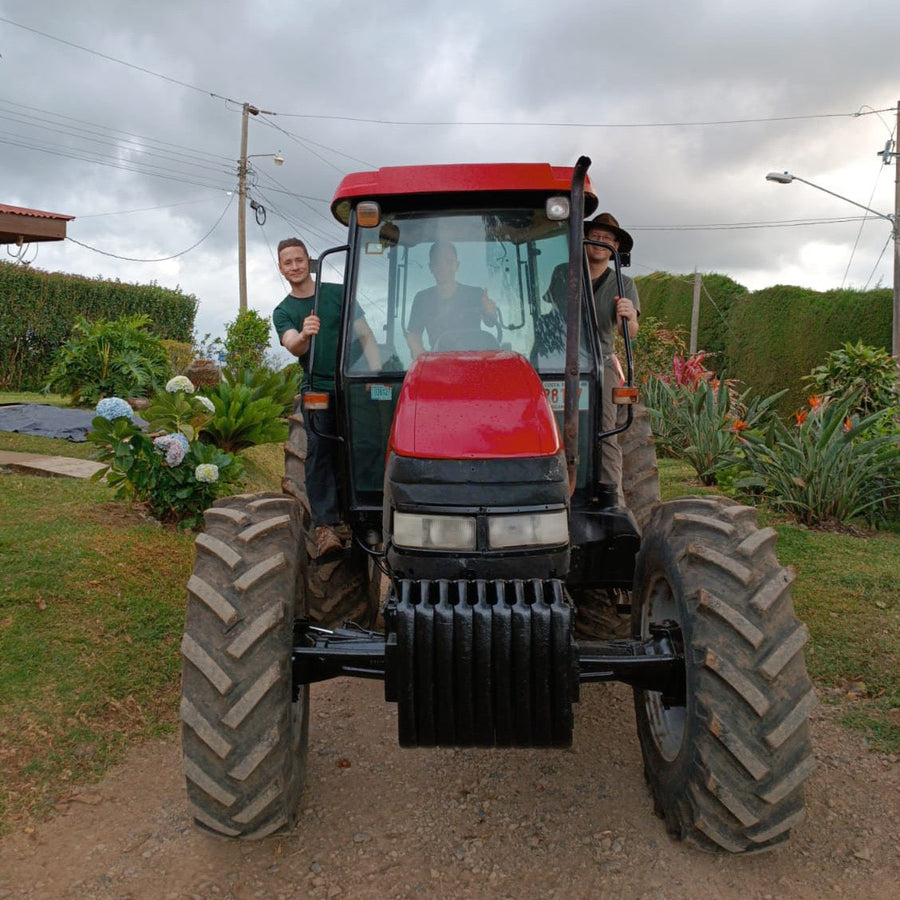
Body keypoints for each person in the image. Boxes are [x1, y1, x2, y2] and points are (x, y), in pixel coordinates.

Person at [272, 237, 380, 557]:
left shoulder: (337, 294)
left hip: (354, 385)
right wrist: (305, 333)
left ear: (310, 262)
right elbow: (293, 345)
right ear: (281, 268)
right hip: (318, 389)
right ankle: (325, 527)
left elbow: (365, 334)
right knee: (319, 450)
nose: (294, 266)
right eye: (288, 262)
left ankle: (374, 513)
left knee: (368, 444)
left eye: (299, 260)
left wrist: (373, 377)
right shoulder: (284, 311)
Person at [584, 213, 640, 506]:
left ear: (615, 247)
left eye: (607, 238)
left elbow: (627, 331)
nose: (600, 242)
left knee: (605, 428)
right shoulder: (563, 273)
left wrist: (629, 317)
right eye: (596, 235)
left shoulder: (623, 283)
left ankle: (611, 500)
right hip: (556, 359)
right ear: (585, 240)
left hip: (598, 360)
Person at [406, 241, 498, 358]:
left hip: (474, 363)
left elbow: (490, 322)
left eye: (449, 262)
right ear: (431, 267)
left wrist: (490, 312)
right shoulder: (422, 299)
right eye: (438, 262)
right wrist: (422, 357)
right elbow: (414, 334)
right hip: (438, 365)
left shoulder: (475, 294)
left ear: (457, 265)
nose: (443, 267)